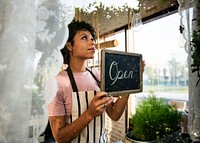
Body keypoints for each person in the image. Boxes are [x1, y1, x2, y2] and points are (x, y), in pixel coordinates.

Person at [48, 21, 143, 143]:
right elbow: (59, 138)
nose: (92, 42)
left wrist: (130, 82)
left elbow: (114, 114)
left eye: (92, 38)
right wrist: (89, 114)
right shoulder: (57, 83)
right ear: (69, 46)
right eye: (84, 38)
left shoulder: (97, 75)